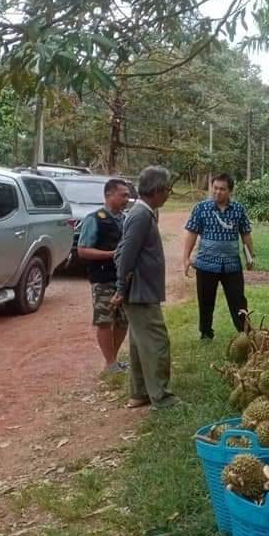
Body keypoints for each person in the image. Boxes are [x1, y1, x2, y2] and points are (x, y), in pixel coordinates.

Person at [112, 166, 177, 410]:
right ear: (157, 190)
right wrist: (121, 287)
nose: (169, 193)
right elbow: (126, 253)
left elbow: (123, 251)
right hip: (140, 292)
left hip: (141, 290)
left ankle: (139, 393)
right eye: (168, 189)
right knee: (157, 343)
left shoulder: (144, 213)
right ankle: (162, 397)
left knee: (140, 345)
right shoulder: (140, 215)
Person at [182, 174, 256, 340]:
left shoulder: (238, 209)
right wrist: (186, 258)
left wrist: (250, 257)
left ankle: (244, 331)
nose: (218, 192)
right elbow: (192, 233)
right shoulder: (201, 208)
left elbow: (246, 235)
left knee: (238, 299)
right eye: (215, 188)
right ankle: (206, 332)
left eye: (222, 189)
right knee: (206, 300)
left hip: (232, 265)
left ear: (230, 191)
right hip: (206, 264)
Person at [76, 178, 132, 374]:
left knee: (123, 320)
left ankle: (113, 361)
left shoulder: (125, 219)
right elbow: (82, 250)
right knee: (105, 320)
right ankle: (110, 363)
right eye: (123, 195)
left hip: (122, 279)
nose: (127, 198)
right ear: (109, 195)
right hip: (102, 277)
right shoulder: (94, 219)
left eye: (127, 195)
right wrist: (111, 255)